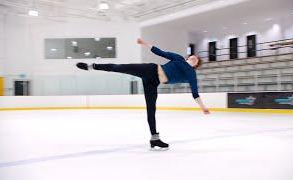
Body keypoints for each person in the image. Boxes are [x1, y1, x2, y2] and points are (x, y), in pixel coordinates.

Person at [76, 38, 210, 150]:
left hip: (153, 82)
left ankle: (154, 139)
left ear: (196, 65)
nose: (194, 58)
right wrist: (144, 43)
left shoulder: (191, 74)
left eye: (196, 59)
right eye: (193, 56)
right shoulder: (179, 58)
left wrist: (203, 107)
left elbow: (195, 93)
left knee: (151, 110)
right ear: (189, 57)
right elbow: (160, 52)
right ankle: (92, 66)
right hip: (150, 69)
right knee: (120, 67)